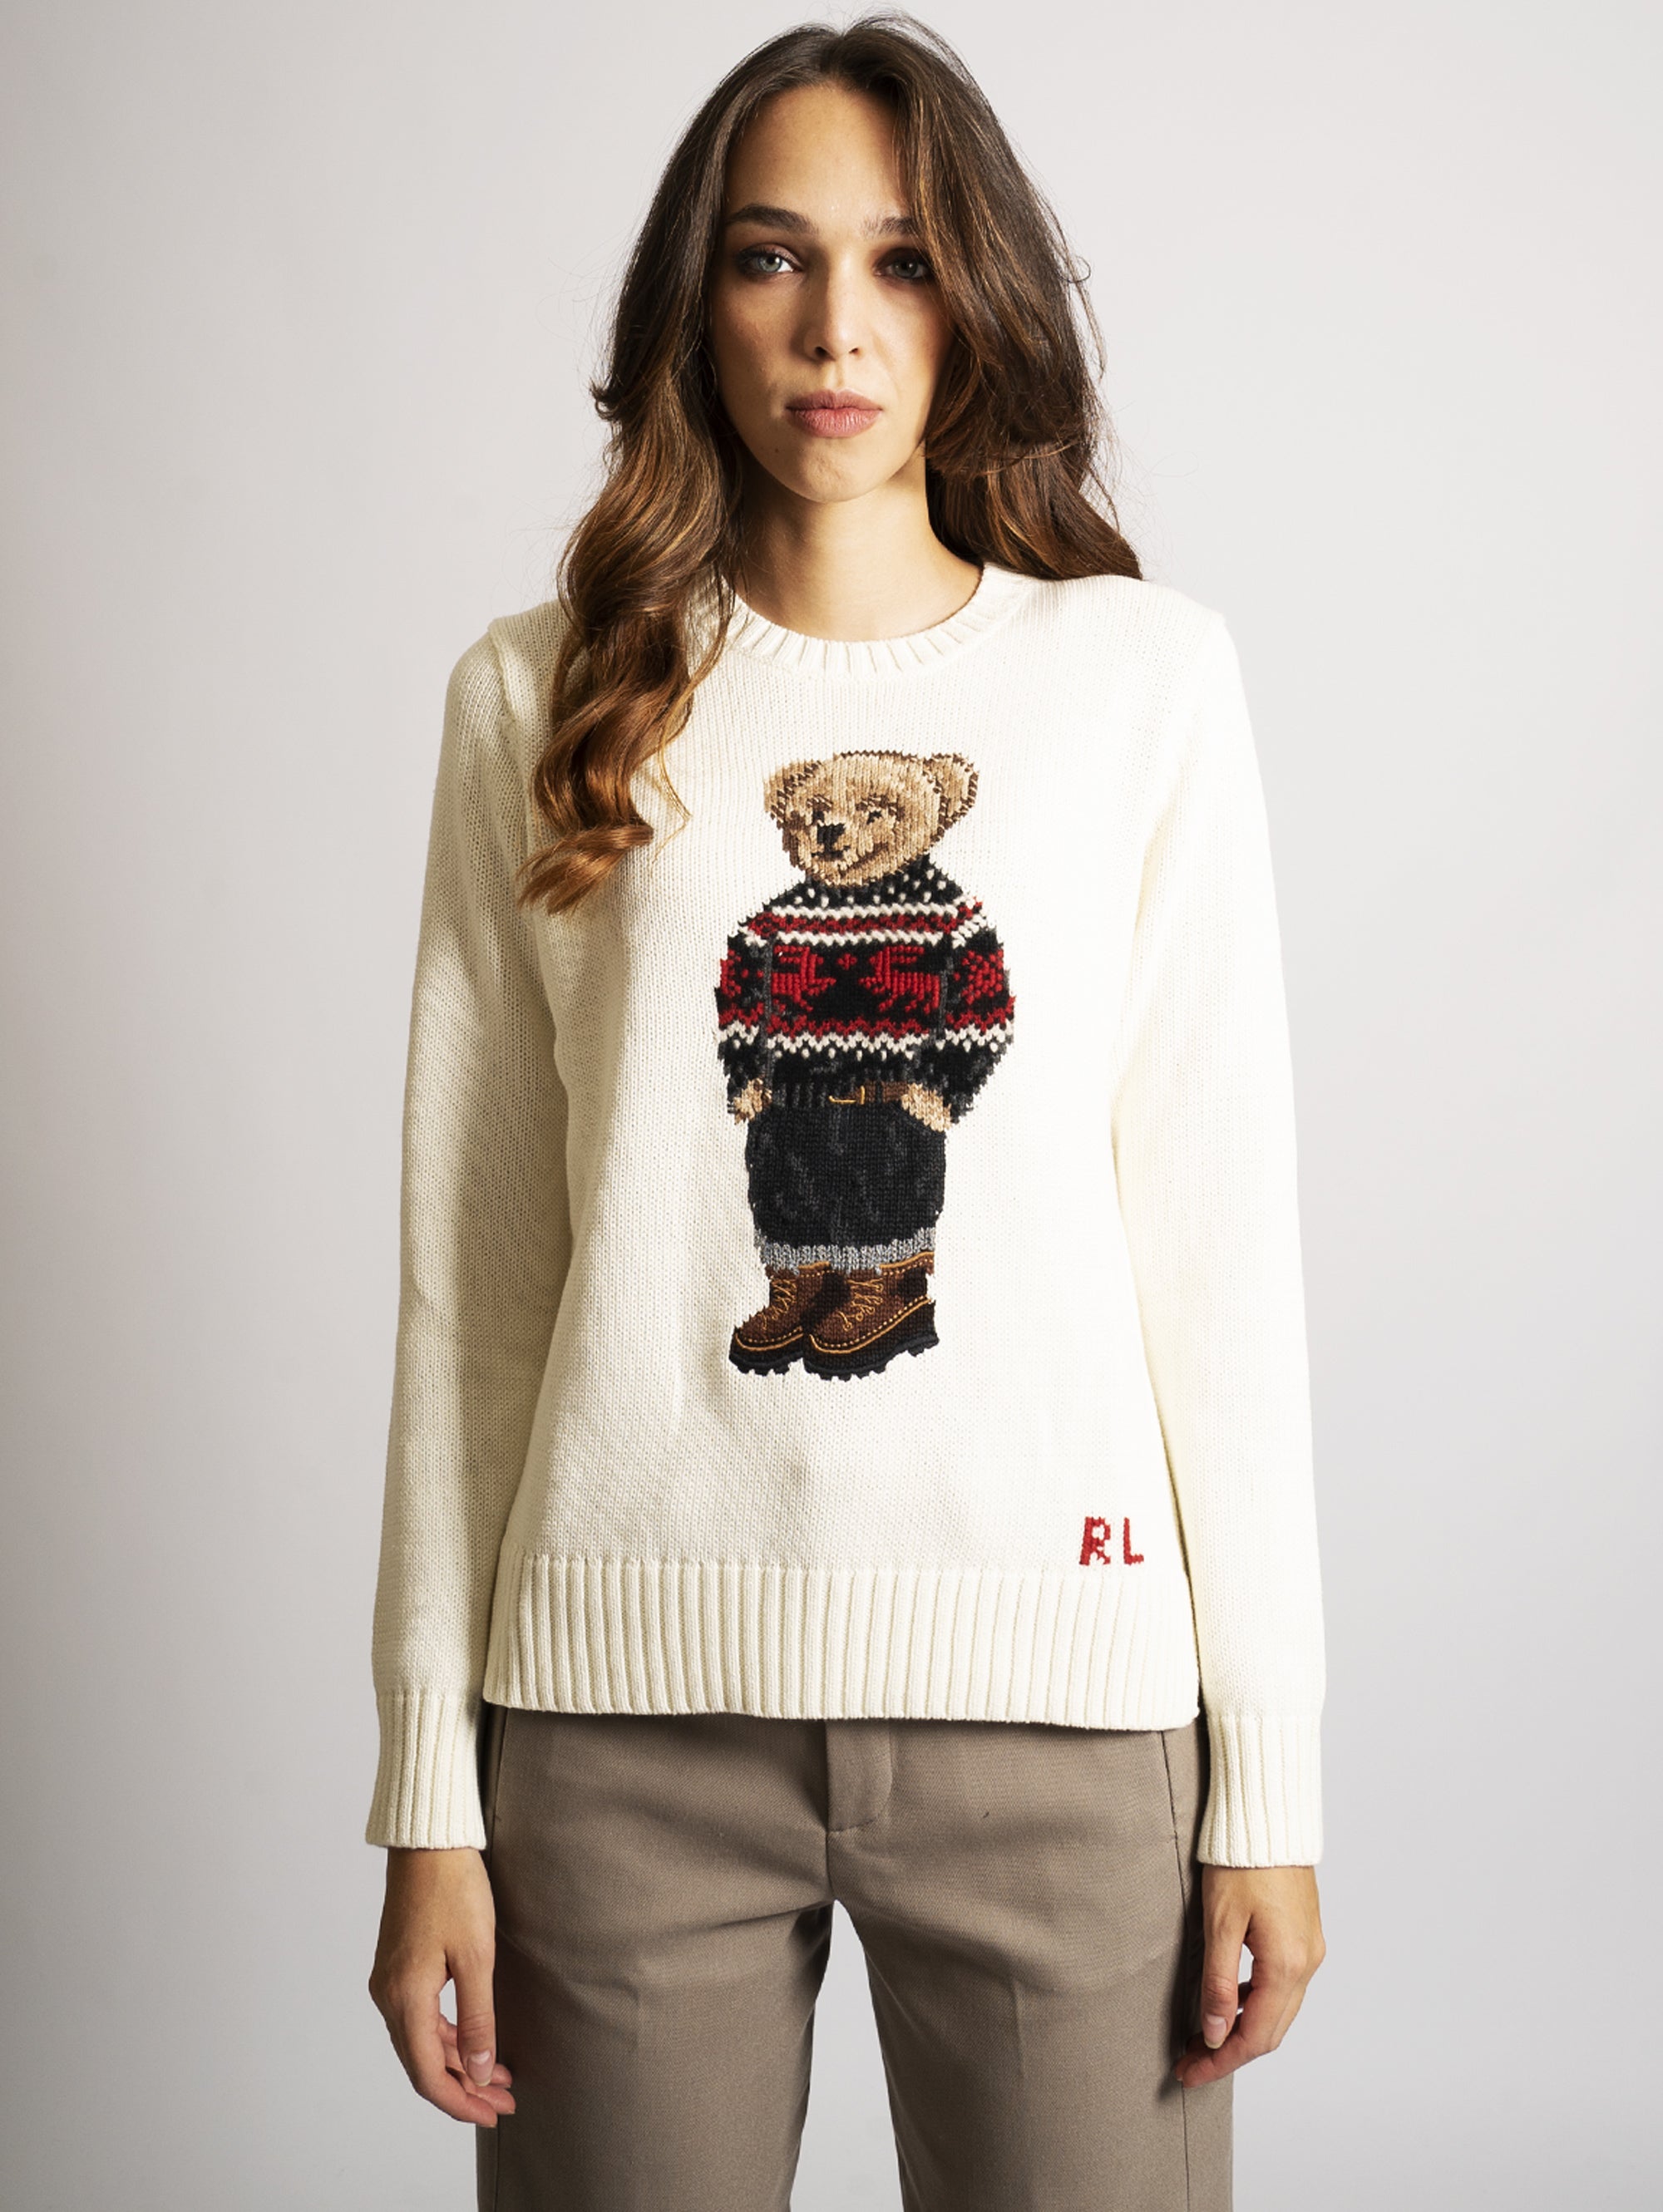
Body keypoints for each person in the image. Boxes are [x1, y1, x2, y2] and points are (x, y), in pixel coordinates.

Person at [364, 15, 1326, 2210]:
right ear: (692, 301)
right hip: (618, 1736)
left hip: (1067, 1717)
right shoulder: (538, 695)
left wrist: (1268, 1776)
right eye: (772, 257)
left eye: (901, 261)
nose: (836, 329)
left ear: (976, 300)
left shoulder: (1143, 686)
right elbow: (474, 1287)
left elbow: (1220, 1259)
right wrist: (428, 1792)